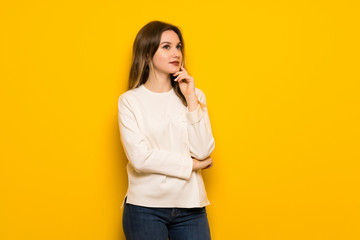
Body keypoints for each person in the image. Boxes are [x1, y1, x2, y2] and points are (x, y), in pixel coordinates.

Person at [117, 20, 215, 240]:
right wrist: (192, 165)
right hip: (145, 208)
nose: (176, 53)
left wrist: (190, 99)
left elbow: (203, 151)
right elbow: (141, 158)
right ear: (147, 51)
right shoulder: (130, 101)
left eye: (178, 47)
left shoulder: (195, 95)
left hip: (191, 206)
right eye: (167, 47)